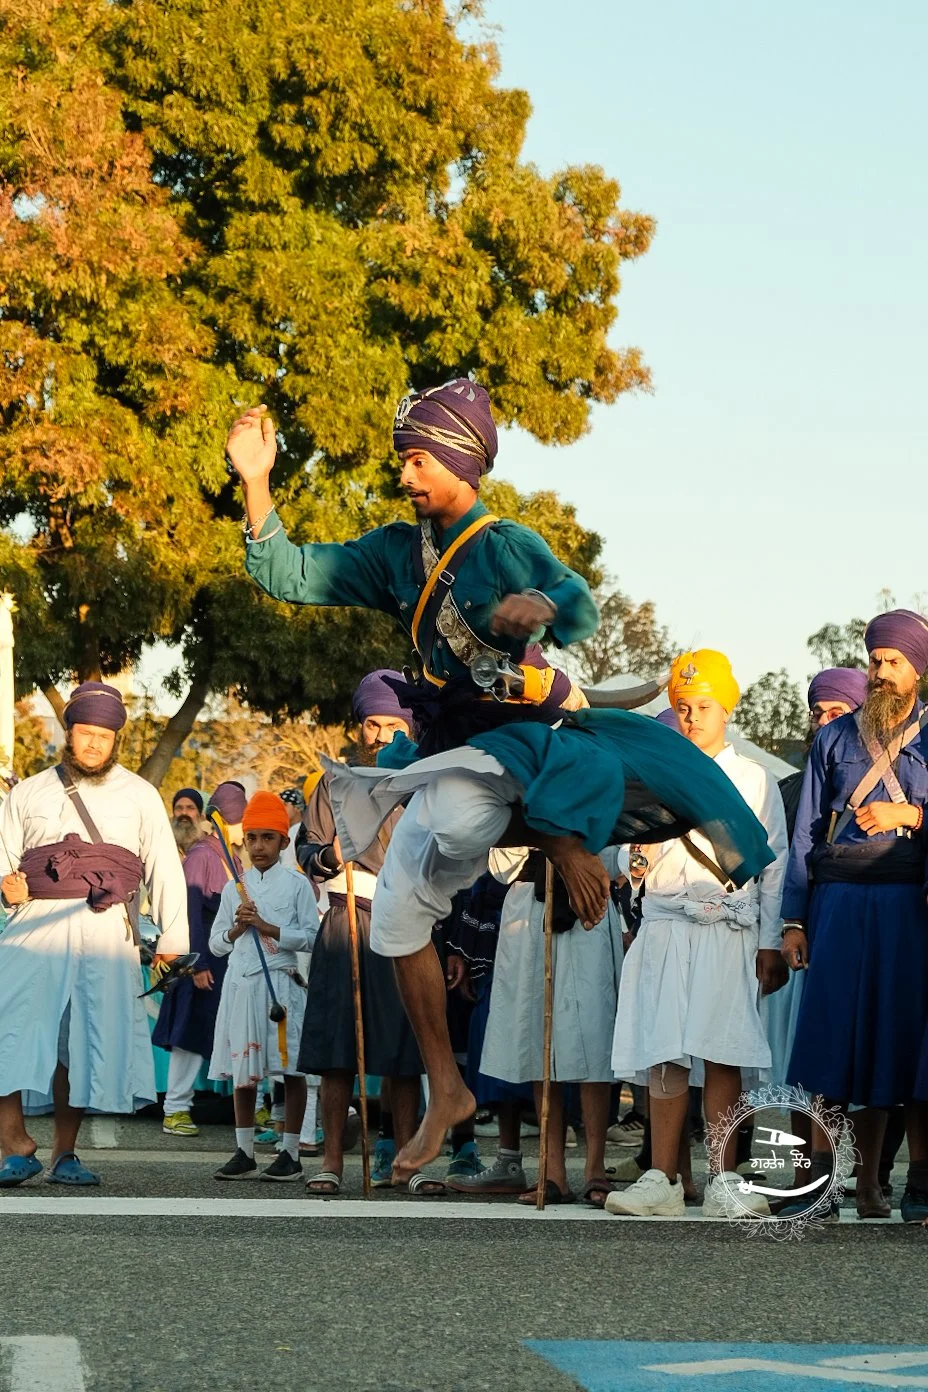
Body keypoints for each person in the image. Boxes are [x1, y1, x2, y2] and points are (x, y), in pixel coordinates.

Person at [228, 387, 776, 1181]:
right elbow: (290, 572)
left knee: (452, 817)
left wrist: (540, 603)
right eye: (404, 460)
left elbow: (581, 606)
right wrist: (256, 482)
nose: (407, 475)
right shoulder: (392, 553)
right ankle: (448, 1090)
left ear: (460, 461)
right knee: (396, 916)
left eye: (420, 460)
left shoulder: (505, 541)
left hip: (525, 743)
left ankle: (559, 836)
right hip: (455, 745)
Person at [607, 651, 788, 1220]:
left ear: (726, 708)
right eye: (682, 707)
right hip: (663, 923)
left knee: (721, 1051)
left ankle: (724, 1179)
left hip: (724, 927)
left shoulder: (754, 778)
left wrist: (768, 939)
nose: (691, 717)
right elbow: (614, 846)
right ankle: (661, 1177)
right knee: (664, 1051)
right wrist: (628, 858)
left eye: (703, 706)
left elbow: (774, 864)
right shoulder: (652, 770)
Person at [0, 682, 188, 1187]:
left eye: (104, 737)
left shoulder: (141, 794)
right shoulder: (28, 792)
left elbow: (164, 867)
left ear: (116, 741)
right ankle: (14, 1141)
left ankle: (65, 1153)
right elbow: (3, 857)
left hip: (106, 930)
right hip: (33, 926)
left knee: (83, 1042)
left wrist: (173, 938)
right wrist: (6, 886)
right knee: (9, 1027)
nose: (94, 745)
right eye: (86, 734)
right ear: (70, 733)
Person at [781, 609, 928, 1223]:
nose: (882, 673)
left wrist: (912, 817)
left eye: (894, 662)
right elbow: (804, 834)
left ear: (918, 670)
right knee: (829, 1041)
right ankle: (815, 1184)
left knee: (907, 1043)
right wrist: (793, 920)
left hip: (908, 906)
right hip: (837, 903)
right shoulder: (835, 740)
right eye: (875, 662)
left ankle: (915, 1181)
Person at [298, 672, 428, 1196]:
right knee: (336, 1050)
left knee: (403, 1049)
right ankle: (331, 1161)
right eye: (371, 724)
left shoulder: (423, 780)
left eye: (391, 725)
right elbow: (308, 849)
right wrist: (330, 855)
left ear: (409, 728)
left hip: (406, 916)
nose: (379, 736)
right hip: (344, 913)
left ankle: (407, 1162)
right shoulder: (334, 781)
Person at [477, 847, 624, 1207]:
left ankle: (595, 1168)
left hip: (589, 900)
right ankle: (552, 1170)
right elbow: (500, 867)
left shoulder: (601, 788)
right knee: (537, 1035)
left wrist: (574, 856)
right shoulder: (516, 791)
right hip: (529, 908)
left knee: (594, 1033)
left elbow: (617, 858)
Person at [209, 792, 319, 1181]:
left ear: (283, 842)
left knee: (290, 1071)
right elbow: (216, 944)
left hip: (281, 985)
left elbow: (311, 935)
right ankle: (244, 1150)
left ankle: (291, 1153)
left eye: (267, 838)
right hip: (241, 985)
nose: (258, 846)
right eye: (251, 838)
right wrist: (238, 927)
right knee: (244, 1068)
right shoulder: (232, 888)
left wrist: (267, 927)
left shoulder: (297, 885)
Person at [153, 781, 248, 1137]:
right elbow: (190, 913)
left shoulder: (230, 855)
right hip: (202, 962)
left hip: (226, 963)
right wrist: (197, 965)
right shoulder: (202, 857)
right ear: (224, 820)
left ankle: (257, 1108)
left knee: (238, 1034)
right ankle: (175, 1108)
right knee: (189, 1035)